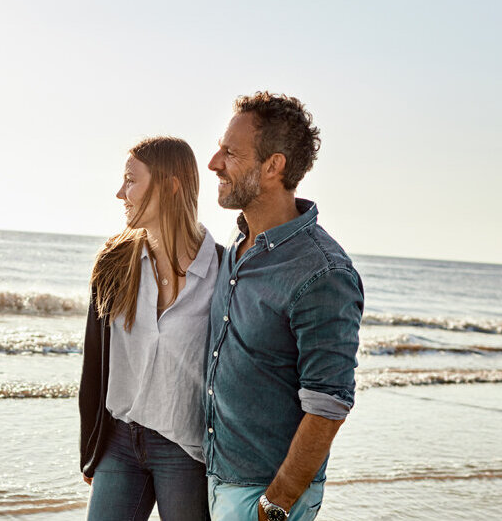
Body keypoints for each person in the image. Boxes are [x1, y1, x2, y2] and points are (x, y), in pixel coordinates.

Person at [203, 92, 364, 521]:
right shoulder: (237, 248)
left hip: (264, 495)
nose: (214, 162)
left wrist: (275, 504)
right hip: (216, 476)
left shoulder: (323, 272)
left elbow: (328, 404)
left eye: (231, 153)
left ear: (273, 166)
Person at [79, 136, 223, 521]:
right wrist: (90, 451)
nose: (119, 193)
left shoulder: (224, 272)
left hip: (187, 450)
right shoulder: (114, 261)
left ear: (170, 184)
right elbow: (94, 364)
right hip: (119, 442)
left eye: (130, 180)